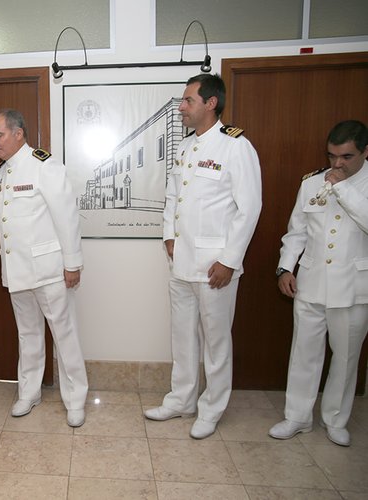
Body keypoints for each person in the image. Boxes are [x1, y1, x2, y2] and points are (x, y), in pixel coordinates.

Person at [0, 109, 88, 427]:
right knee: (27, 334)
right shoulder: (1, 175)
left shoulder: (44, 165)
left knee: (64, 335)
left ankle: (75, 398)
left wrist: (72, 264)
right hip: (17, 270)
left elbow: (67, 217)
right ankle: (29, 392)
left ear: (18, 134)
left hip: (50, 269)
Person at [145, 74, 262, 439]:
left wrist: (230, 260)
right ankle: (181, 399)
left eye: (188, 101)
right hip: (181, 263)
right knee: (182, 336)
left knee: (215, 341)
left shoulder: (236, 147)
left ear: (211, 103)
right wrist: (168, 236)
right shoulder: (185, 148)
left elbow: (250, 207)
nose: (181, 107)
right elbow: (172, 198)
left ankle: (211, 408)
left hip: (215, 267)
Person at [269, 120, 368, 447]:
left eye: (347, 157)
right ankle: (296, 416)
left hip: (353, 288)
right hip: (311, 282)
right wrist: (285, 268)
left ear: (365, 152)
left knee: (345, 356)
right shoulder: (311, 184)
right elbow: (296, 231)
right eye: (332, 156)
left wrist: (342, 188)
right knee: (304, 352)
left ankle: (335, 419)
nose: (337, 164)